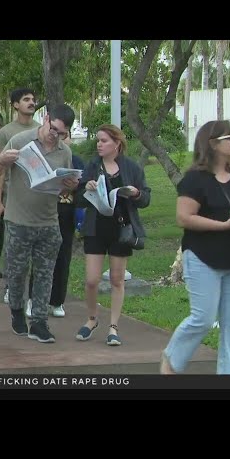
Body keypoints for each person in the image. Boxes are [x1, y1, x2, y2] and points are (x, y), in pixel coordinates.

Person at [160, 120, 230, 375]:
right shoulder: (195, 179)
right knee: (203, 319)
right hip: (203, 257)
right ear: (213, 143)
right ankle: (171, 359)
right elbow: (184, 218)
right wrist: (224, 225)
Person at [0, 104, 79, 343]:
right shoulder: (20, 140)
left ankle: (39, 322)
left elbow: (66, 185)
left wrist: (70, 184)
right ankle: (17, 312)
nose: (56, 136)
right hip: (19, 220)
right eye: (54, 129)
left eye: (62, 134)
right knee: (17, 273)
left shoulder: (64, 152)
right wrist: (2, 160)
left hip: (49, 221)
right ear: (47, 119)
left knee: (45, 274)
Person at [74, 124, 151, 346]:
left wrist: (136, 194)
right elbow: (78, 198)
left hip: (121, 228)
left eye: (104, 140)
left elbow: (146, 198)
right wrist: (85, 188)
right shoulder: (92, 166)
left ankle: (114, 327)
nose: (99, 144)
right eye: (98, 140)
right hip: (96, 228)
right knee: (91, 280)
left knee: (117, 279)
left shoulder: (131, 168)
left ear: (117, 143)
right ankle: (91, 319)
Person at [26, 129, 85, 318]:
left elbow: (82, 189)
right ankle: (33, 299)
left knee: (63, 257)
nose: (64, 139)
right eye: (61, 135)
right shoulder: (44, 157)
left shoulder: (76, 161)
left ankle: (57, 301)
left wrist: (75, 186)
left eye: (67, 136)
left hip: (66, 214)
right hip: (45, 212)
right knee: (41, 257)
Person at [0, 88, 39, 293]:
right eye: (26, 99)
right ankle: (11, 287)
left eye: (33, 99)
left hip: (38, 195)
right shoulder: (6, 132)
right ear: (15, 105)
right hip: (13, 195)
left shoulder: (42, 130)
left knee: (35, 245)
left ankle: (32, 289)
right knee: (14, 243)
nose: (31, 102)